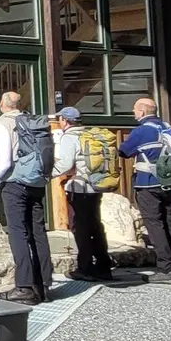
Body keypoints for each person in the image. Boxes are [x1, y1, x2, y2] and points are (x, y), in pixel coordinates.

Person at [0, 91, 54, 304]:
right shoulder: (33, 121)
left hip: (14, 183)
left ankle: (23, 287)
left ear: (1, 104)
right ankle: (42, 286)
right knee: (38, 232)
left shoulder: (2, 123)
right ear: (19, 104)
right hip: (36, 181)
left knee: (18, 233)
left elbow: (4, 161)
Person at [118, 98, 171, 284]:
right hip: (169, 182)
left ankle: (166, 270)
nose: (133, 113)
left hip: (148, 183)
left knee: (155, 225)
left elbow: (123, 152)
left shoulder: (142, 131)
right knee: (169, 223)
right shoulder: (168, 128)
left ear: (141, 112)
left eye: (134, 110)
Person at [51, 108, 116, 282]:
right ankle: (103, 267)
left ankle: (84, 268)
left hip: (80, 189)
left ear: (64, 120)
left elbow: (65, 164)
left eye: (60, 119)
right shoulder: (90, 134)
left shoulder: (69, 137)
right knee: (96, 226)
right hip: (97, 187)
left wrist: (46, 174)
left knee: (81, 228)